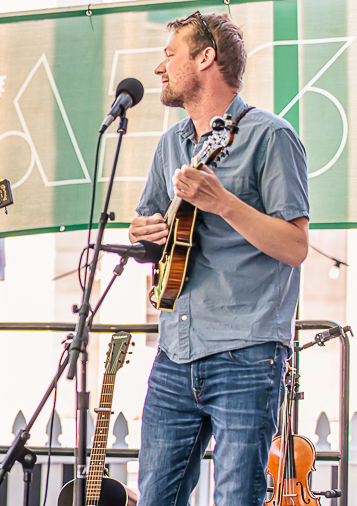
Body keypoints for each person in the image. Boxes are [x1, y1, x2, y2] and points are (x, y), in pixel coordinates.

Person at [128, 12, 310, 506]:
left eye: (170, 54)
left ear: (205, 57)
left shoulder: (271, 136)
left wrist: (223, 201)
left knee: (236, 497)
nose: (160, 66)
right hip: (175, 351)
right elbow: (152, 235)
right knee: (154, 498)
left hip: (247, 352)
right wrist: (143, 234)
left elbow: (295, 247)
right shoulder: (171, 144)